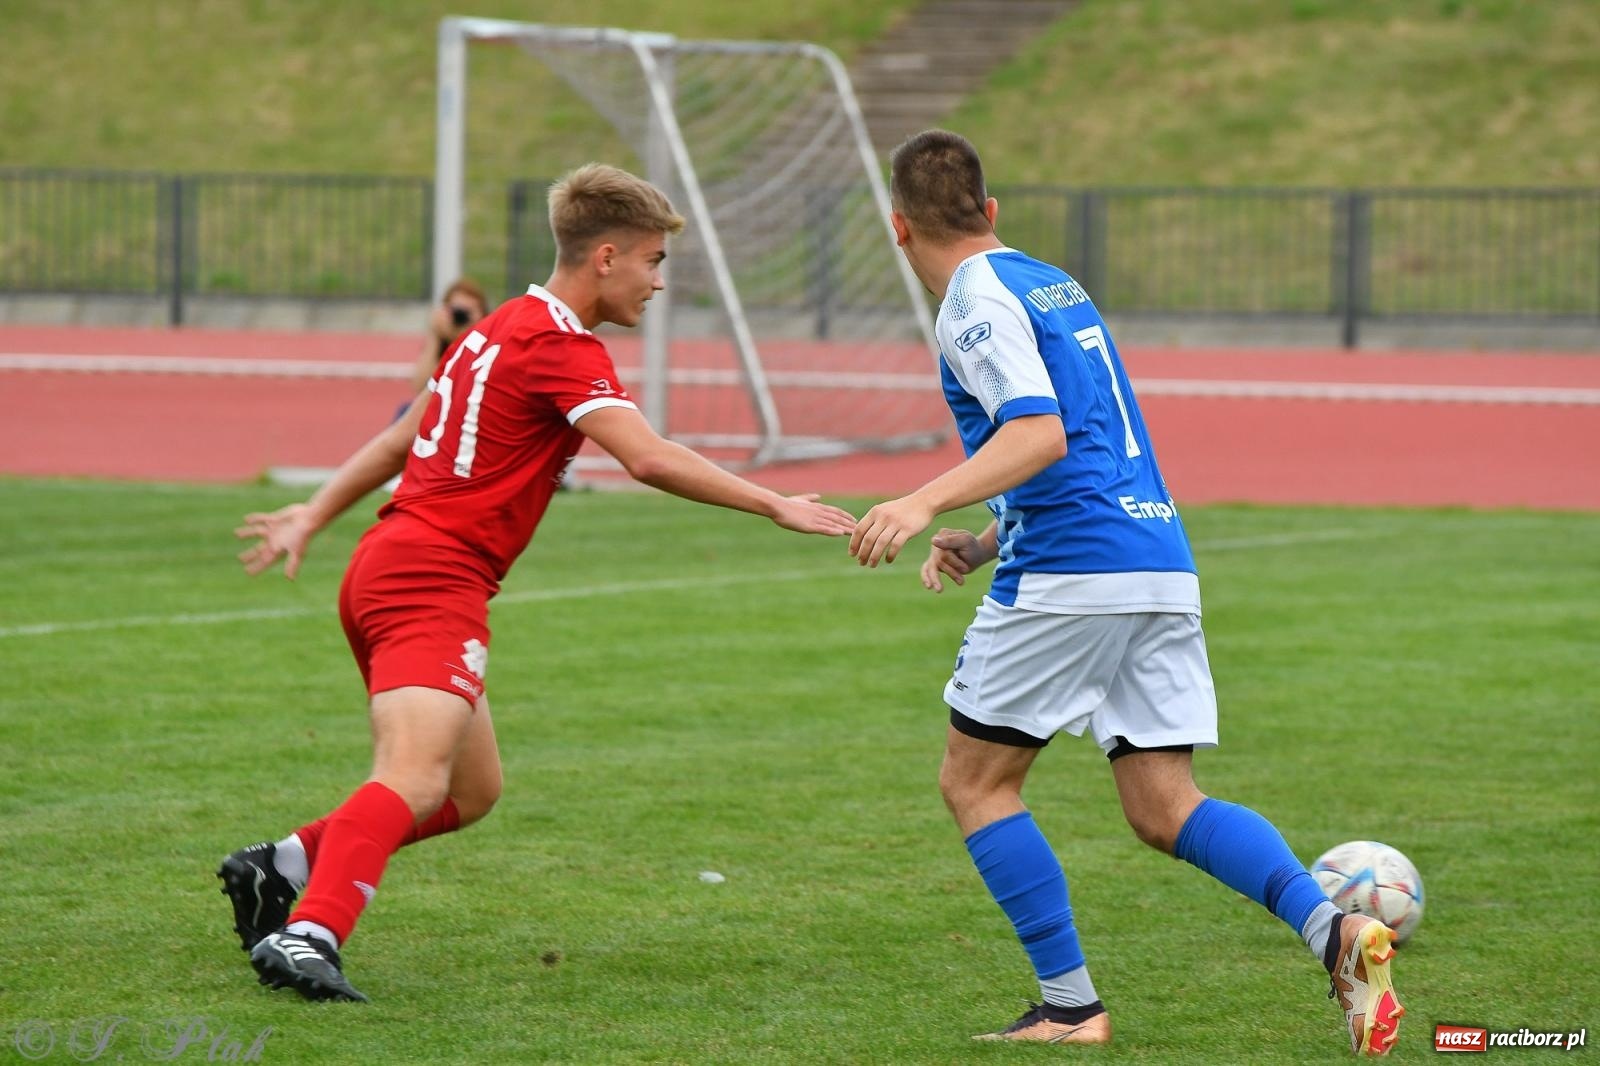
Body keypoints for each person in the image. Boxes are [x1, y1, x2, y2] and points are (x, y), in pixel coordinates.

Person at [221, 163, 856, 1003]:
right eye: (653, 261)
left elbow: (401, 439)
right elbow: (647, 457)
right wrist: (775, 503)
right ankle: (312, 931)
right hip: (429, 577)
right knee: (414, 776)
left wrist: (314, 512)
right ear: (605, 256)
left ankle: (283, 865)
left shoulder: (497, 328)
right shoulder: (559, 345)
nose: (658, 282)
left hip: (400, 565)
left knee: (471, 790)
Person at [847, 130, 1402, 1055]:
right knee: (1164, 805)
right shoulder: (1051, 283)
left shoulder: (971, 303)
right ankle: (1334, 929)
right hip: (1156, 558)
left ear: (897, 228)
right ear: (991, 211)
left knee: (976, 782)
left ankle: (1069, 1008)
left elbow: (1040, 434)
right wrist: (983, 542)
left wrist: (920, 500)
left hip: (1073, 570)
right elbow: (1090, 441)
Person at [397, 278, 489, 419]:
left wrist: (469, 337)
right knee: (405, 411)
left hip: (471, 410)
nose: (460, 318)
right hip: (439, 406)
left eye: (466, 313)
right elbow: (420, 386)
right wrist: (435, 335)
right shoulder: (441, 340)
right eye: (457, 312)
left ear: (483, 315)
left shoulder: (489, 343)